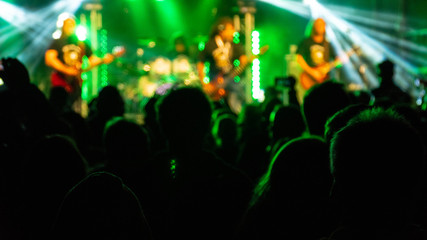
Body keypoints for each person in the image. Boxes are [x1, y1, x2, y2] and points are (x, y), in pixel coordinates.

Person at [45, 14, 115, 114]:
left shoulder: (81, 43)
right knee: (58, 108)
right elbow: (49, 59)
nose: (70, 26)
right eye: (67, 24)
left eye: (72, 24)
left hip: (75, 83)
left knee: (76, 108)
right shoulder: (57, 42)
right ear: (62, 26)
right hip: (60, 82)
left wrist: (103, 59)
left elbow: (91, 59)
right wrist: (66, 70)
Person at [197, 16, 248, 114]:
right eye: (231, 29)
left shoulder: (235, 45)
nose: (233, 32)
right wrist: (204, 83)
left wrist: (244, 63)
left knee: (239, 95)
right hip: (214, 82)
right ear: (221, 31)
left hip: (231, 81)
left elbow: (243, 60)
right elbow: (200, 64)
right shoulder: (210, 45)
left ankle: (239, 115)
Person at [296, 18, 337, 102]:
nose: (320, 27)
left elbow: (337, 61)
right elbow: (298, 58)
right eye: (318, 24)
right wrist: (311, 72)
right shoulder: (306, 42)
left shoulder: (328, 44)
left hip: (324, 79)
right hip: (309, 78)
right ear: (313, 26)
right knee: (311, 100)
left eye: (322, 24)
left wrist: (338, 62)